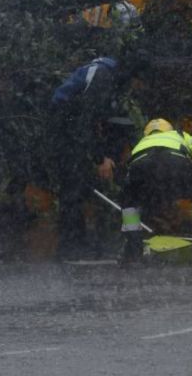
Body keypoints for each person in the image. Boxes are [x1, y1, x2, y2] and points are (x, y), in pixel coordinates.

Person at [49, 54, 144, 260]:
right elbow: (86, 120)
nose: (138, 87)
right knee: (72, 189)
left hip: (73, 129)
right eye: (139, 82)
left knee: (79, 187)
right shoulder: (103, 78)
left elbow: (101, 121)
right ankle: (69, 246)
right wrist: (100, 158)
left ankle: (78, 241)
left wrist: (106, 155)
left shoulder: (111, 77)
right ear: (133, 76)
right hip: (64, 130)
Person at [119, 118, 192, 263]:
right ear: (169, 129)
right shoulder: (179, 135)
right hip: (175, 163)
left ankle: (133, 252)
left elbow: (129, 167)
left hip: (142, 166)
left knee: (129, 202)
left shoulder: (142, 142)